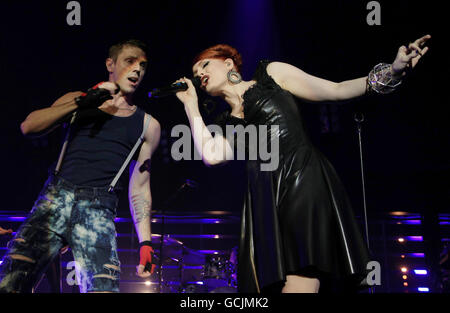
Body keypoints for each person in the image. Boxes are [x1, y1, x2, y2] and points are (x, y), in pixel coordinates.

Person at [175, 35, 431, 293]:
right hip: (265, 197)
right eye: (195, 71)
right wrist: (191, 106)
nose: (200, 74)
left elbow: (336, 90)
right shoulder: (227, 122)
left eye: (205, 65)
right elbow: (211, 156)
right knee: (275, 284)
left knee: (302, 270)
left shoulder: (271, 75)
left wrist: (392, 71)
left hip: (300, 176)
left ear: (229, 64)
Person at [0, 39, 161, 293]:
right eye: (130, 61)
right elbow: (29, 127)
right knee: (11, 281)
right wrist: (83, 101)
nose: (137, 69)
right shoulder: (78, 98)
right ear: (111, 64)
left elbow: (140, 186)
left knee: (103, 289)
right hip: (55, 198)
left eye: (143, 65)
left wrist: (145, 242)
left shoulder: (147, 124)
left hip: (98, 208)